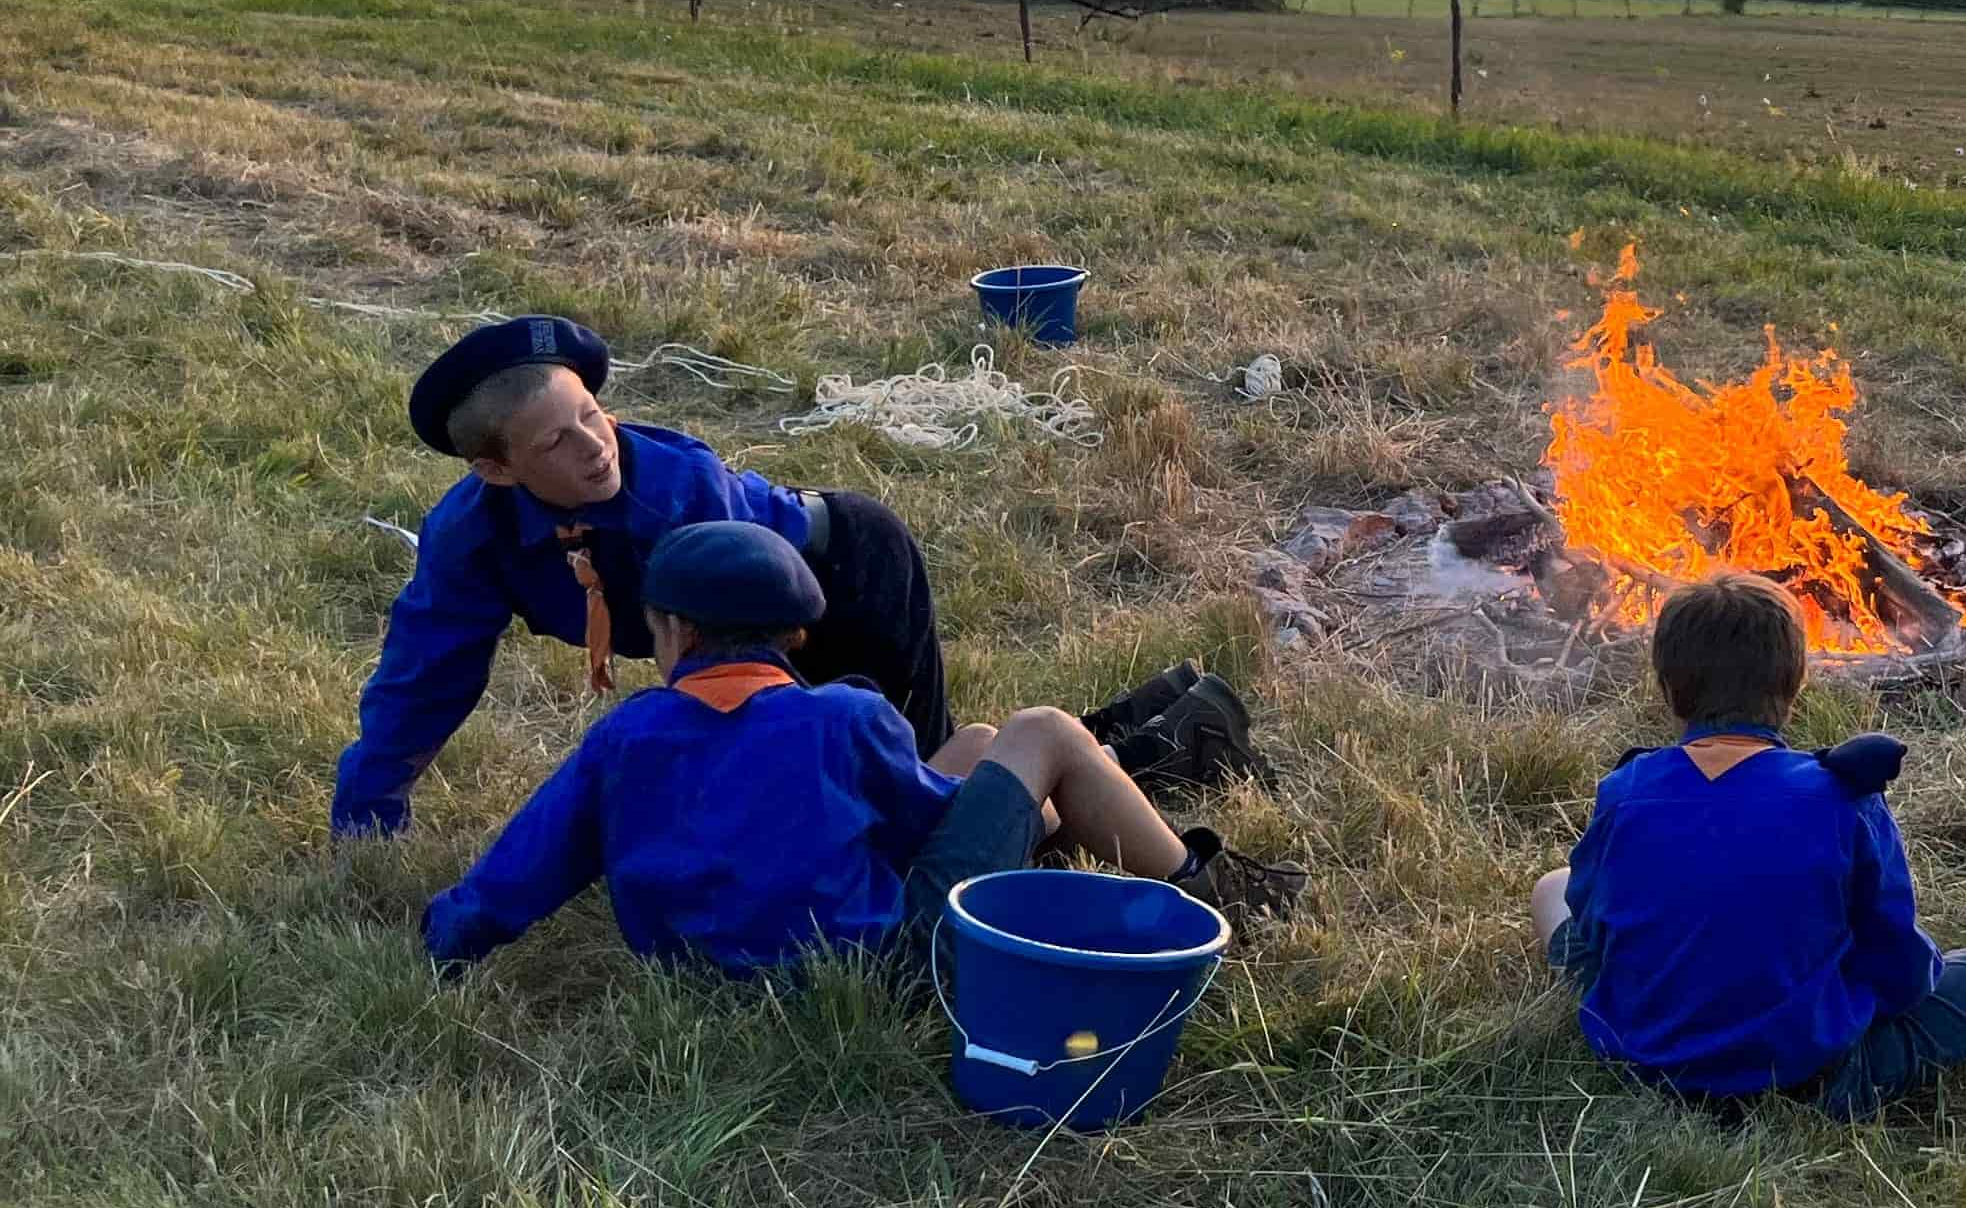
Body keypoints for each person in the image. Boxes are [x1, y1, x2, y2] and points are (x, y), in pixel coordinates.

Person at [418, 523, 1297, 977]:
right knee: (1040, 734)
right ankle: (1202, 887)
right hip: (878, 972)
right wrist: (1036, 809)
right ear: (796, 637)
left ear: (676, 632)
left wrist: (448, 934)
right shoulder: (845, 718)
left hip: (699, 974)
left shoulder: (622, 738)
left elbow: (522, 869)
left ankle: (1093, 814)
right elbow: (921, 823)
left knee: (981, 744)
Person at [1531, 573, 1966, 1116]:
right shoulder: (1841, 795)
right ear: (1797, 683)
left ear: (1667, 688)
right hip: (1816, 1076)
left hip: (1645, 1058)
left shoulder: (1626, 789)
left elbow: (1593, 926)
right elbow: (1901, 972)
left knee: (1552, 887)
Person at [336, 316, 950, 837]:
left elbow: (740, 676)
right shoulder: (470, 537)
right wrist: (368, 815)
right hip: (741, 618)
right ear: (497, 470)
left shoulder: (683, 495)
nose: (595, 445)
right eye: (555, 442)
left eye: (592, 414)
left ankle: (1006, 834)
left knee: (890, 777)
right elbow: (424, 676)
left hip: (846, 571)